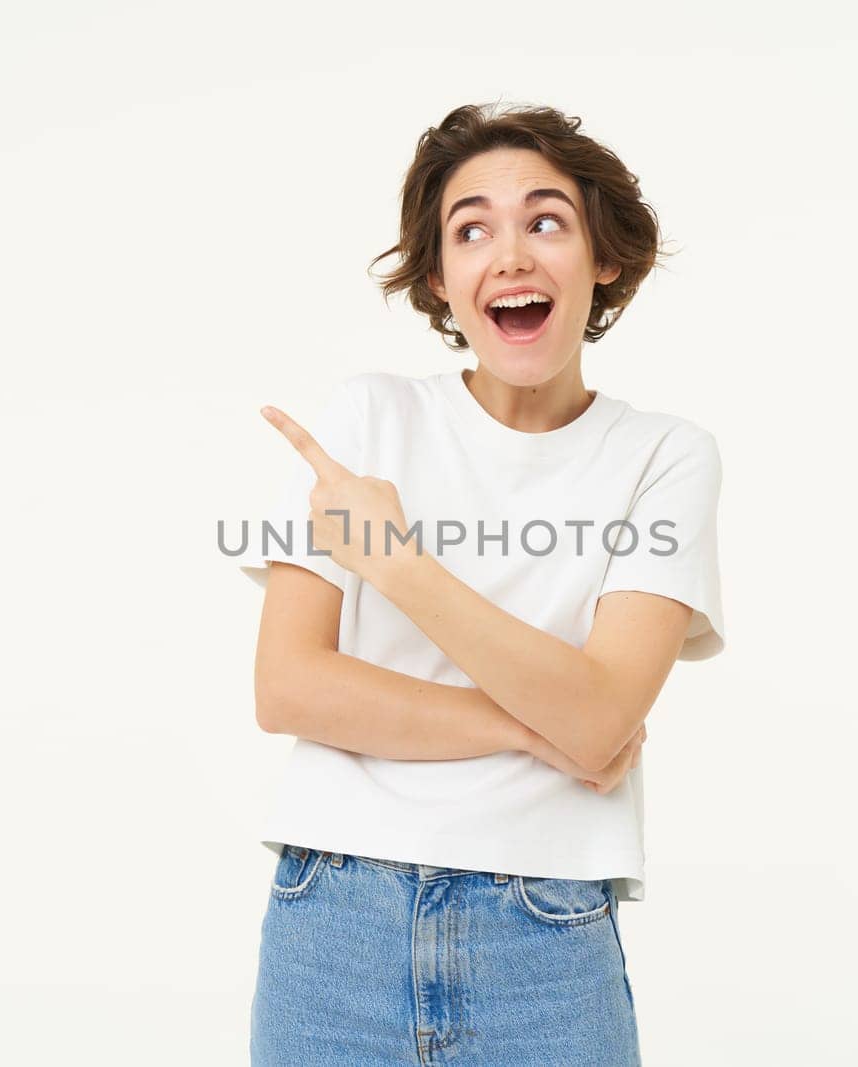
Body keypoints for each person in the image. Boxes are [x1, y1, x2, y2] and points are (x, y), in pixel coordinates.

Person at [234, 102, 727, 1066]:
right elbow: (288, 688)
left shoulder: (665, 457)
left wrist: (399, 565)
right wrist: (530, 723)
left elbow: (601, 722)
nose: (510, 254)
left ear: (604, 259)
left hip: (543, 935)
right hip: (332, 920)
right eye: (472, 231)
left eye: (546, 221)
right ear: (440, 279)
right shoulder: (368, 417)